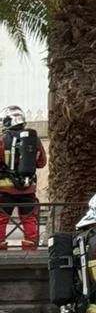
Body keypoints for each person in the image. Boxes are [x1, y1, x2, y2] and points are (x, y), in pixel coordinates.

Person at [0, 105, 47, 250]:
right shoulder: (35, 140)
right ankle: (30, 249)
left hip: (5, 189)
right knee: (29, 219)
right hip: (28, 189)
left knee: (1, 219)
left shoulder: (2, 140)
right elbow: (41, 163)